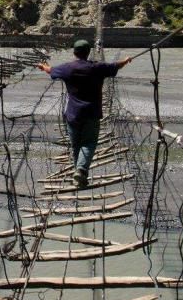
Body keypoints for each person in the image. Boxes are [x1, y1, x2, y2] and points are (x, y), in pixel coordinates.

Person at [37, 39, 133, 188]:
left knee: (76, 146)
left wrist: (43, 66)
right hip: (92, 113)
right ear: (88, 53)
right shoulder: (97, 67)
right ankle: (81, 171)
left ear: (74, 52)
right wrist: (126, 61)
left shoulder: (67, 68)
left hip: (73, 114)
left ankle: (78, 176)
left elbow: (52, 70)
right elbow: (115, 66)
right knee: (88, 144)